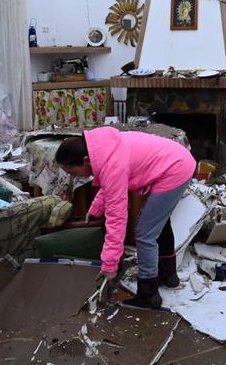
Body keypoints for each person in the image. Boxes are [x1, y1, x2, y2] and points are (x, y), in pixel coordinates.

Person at [54, 127, 196, 309]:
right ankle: (168, 276)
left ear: (86, 160)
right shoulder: (103, 150)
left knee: (145, 233)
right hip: (177, 161)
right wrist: (96, 208)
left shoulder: (111, 163)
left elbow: (117, 219)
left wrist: (110, 264)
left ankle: (149, 294)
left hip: (174, 169)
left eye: (73, 172)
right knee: (158, 223)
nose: (73, 177)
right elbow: (109, 184)